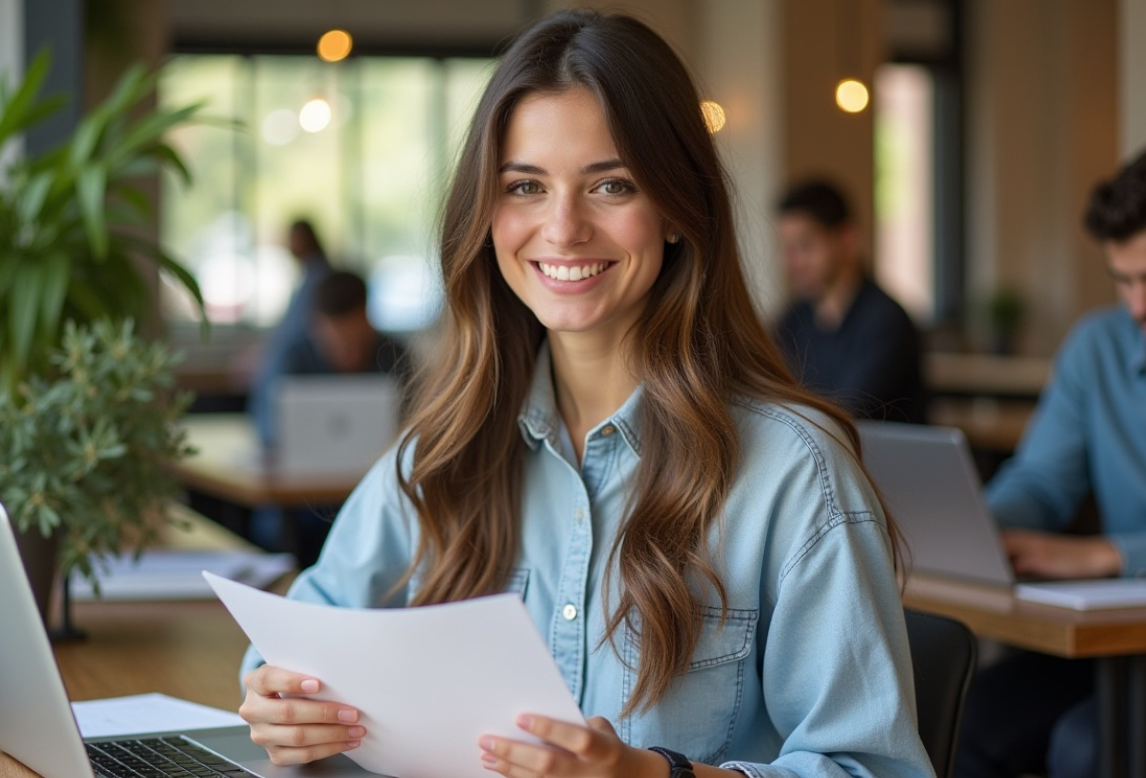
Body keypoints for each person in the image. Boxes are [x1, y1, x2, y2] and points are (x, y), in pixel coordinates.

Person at [236, 11, 933, 778]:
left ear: (676, 208)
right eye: (525, 187)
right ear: (488, 215)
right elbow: (293, 637)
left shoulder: (795, 473)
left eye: (611, 184)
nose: (563, 228)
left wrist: (653, 775)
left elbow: (875, 770)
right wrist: (278, 697)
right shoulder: (449, 448)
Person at [955, 149, 1146, 778]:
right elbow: (1040, 480)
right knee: (970, 718)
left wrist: (1108, 556)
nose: (1137, 305)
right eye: (1123, 280)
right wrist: (985, 533)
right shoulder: (1099, 346)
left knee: (1086, 746)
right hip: (1122, 646)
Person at [773, 179, 927, 423]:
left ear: (847, 239)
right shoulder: (794, 318)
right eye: (786, 248)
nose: (792, 263)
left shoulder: (886, 321)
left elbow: (847, 413)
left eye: (805, 246)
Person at [248, 218, 333, 445]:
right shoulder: (309, 276)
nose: (288, 245)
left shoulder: (318, 278)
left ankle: (269, 441)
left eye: (292, 238)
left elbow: (298, 330)